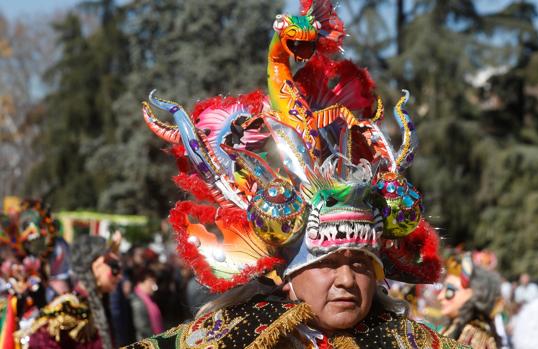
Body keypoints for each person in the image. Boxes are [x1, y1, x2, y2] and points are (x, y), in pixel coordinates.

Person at [125, 0, 469, 347]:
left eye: (362, 263)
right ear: (286, 271)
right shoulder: (225, 340)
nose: (347, 280)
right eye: (327, 261)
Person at [19, 235, 122, 349]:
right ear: (96, 266)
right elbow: (37, 343)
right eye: (115, 267)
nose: (120, 276)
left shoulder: (96, 306)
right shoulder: (69, 309)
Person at [438, 253, 502, 348]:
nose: (440, 296)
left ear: (471, 294)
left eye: (450, 290)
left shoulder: (475, 334)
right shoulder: (455, 325)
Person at [130, 268, 164, 340]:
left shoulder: (147, 298)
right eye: (153, 282)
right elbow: (143, 329)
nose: (155, 287)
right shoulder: (137, 301)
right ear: (146, 281)